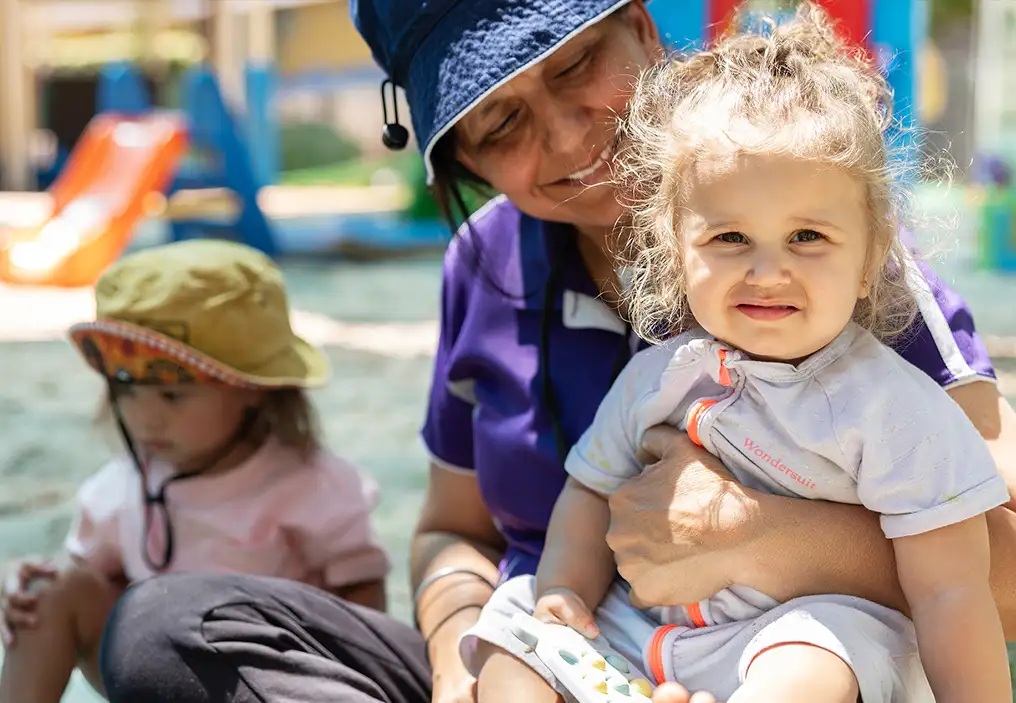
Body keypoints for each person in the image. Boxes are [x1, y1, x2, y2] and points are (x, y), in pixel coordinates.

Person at [94, 2, 1016, 703]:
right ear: (462, 158)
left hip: (779, 655)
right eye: (499, 125)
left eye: (577, 63)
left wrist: (765, 539)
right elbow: (452, 527)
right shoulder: (482, 262)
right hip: (556, 647)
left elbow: (1001, 574)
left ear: (645, 30)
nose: (570, 137)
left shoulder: (828, 254)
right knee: (162, 627)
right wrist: (466, 647)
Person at [477, 6, 1010, 702]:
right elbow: (589, 487)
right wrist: (564, 598)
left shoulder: (893, 408)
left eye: (808, 238)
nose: (767, 271)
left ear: (874, 251)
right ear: (675, 247)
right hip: (637, 636)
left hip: (787, 638)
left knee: (820, 655)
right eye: (729, 239)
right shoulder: (658, 376)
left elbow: (950, 590)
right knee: (513, 631)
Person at [0, 240, 390, 703]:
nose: (146, 417)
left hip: (266, 682)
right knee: (48, 594)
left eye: (174, 394)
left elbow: (364, 609)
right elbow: (88, 587)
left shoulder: (313, 486)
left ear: (252, 389)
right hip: (153, 674)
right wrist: (30, 586)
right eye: (126, 389)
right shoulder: (116, 491)